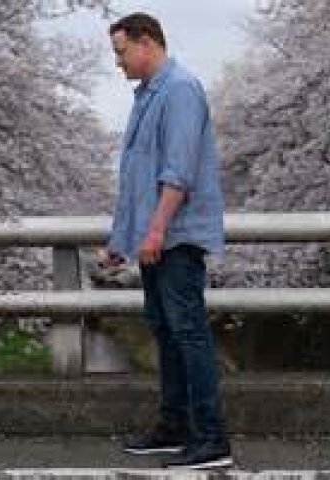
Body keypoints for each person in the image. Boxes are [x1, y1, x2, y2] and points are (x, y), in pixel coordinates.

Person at [103, 13, 232, 470]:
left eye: (121, 52)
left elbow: (178, 172)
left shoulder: (180, 90)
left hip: (175, 237)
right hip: (155, 239)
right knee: (166, 330)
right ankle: (174, 426)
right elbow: (136, 178)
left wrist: (155, 230)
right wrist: (121, 239)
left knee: (188, 333)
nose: (118, 62)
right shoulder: (147, 96)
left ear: (146, 43)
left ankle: (212, 438)